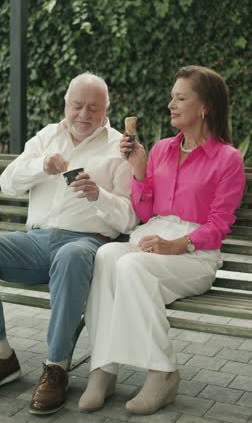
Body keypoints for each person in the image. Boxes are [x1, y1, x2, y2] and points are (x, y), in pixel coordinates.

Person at [79, 65, 246, 416]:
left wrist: (177, 244)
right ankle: (104, 367)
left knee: (131, 265)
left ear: (205, 107)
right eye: (172, 96)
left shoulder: (227, 159)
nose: (171, 104)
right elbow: (145, 211)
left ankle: (162, 372)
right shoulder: (161, 150)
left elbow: (219, 224)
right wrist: (140, 170)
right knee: (107, 255)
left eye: (181, 98)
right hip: (152, 239)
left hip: (194, 255)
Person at [0, 72, 138, 415]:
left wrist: (98, 196)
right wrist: (39, 166)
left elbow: (129, 218)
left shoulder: (119, 147)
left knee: (72, 256)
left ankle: (56, 367)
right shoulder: (48, 136)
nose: (83, 114)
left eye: (93, 107)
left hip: (84, 244)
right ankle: (3, 356)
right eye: (77, 105)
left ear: (106, 109)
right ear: (66, 104)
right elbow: (7, 183)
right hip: (36, 241)